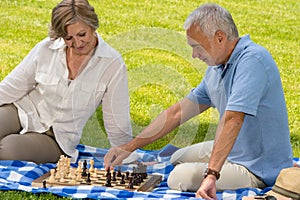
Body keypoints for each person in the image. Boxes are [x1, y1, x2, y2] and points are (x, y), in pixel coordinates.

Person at [104, 3, 293, 199]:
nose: (194, 55)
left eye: (197, 47)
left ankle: (226, 169)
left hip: (258, 167)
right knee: (175, 157)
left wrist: (212, 175)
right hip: (235, 148)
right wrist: (129, 147)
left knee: (179, 177)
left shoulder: (253, 61)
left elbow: (233, 120)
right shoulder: (217, 67)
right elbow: (177, 113)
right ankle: (220, 163)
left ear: (219, 37)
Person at [0, 0, 132, 164]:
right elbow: (12, 86)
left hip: (56, 138)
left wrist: (126, 153)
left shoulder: (112, 65)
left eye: (82, 34)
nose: (77, 43)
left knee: (6, 149)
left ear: (93, 26)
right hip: (22, 111)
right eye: (68, 38)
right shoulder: (46, 49)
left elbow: (117, 120)